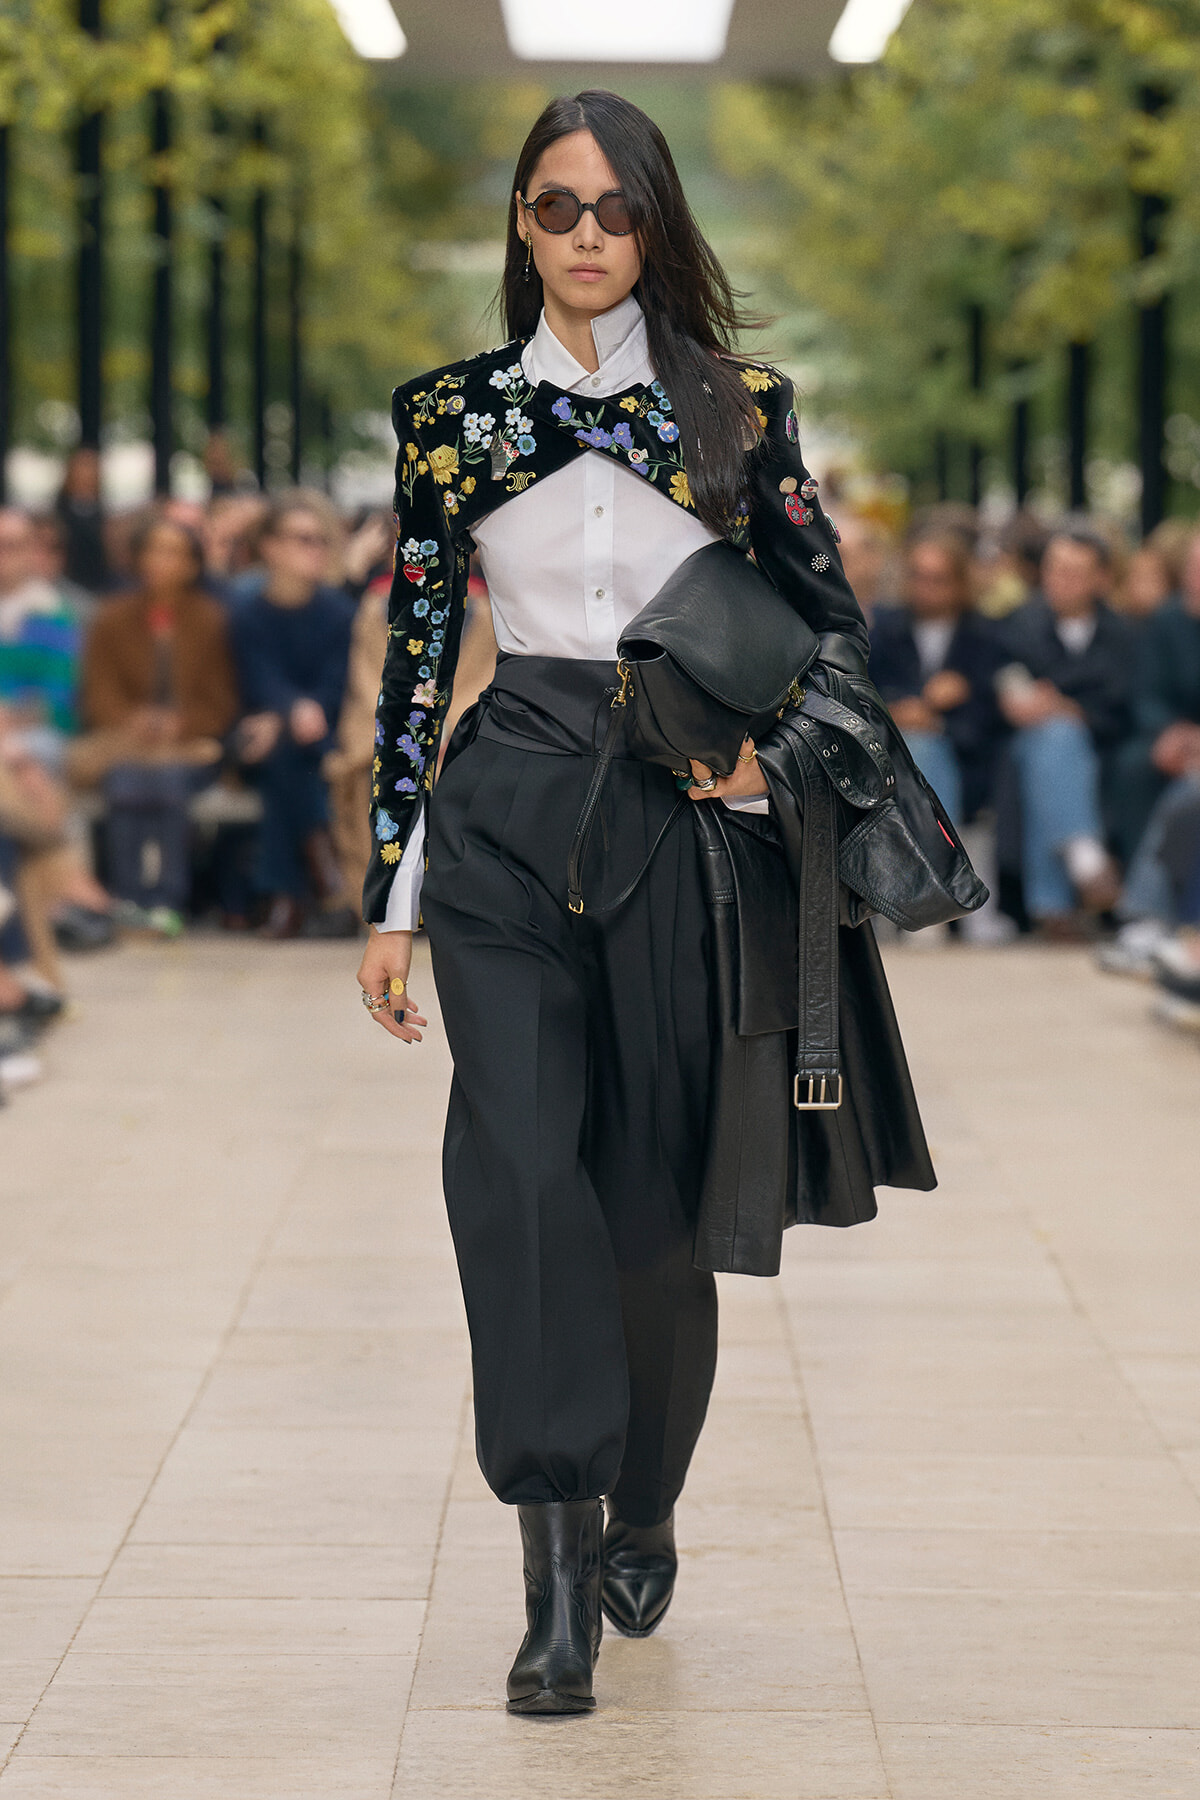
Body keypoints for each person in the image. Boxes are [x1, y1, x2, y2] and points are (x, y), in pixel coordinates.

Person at [354, 90, 934, 1716]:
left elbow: (832, 630)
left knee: (653, 1212)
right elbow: (416, 666)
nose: (588, 235)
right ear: (521, 226)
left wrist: (766, 763)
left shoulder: (739, 411)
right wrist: (386, 890)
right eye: (556, 207)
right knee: (519, 1175)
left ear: (655, 222)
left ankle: (648, 1495)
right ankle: (550, 1579)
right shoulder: (452, 416)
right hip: (507, 799)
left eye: (615, 208)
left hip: (682, 816)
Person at [72, 514, 239, 919]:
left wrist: (181, 723)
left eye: (173, 552)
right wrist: (134, 721)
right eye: (153, 550)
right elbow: (97, 690)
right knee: (127, 781)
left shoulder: (212, 619)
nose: (161, 561)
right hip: (125, 745)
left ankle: (168, 899)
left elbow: (221, 698)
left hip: (189, 748)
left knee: (165, 782)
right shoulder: (111, 617)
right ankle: (129, 899)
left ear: (192, 565)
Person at [996, 525, 1133, 934]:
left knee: (1056, 745)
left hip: (1099, 747)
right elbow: (1004, 682)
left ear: (1101, 579)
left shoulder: (1124, 636)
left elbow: (1127, 708)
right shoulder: (1018, 624)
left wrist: (1074, 711)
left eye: (1075, 571)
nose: (1060, 579)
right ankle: (1084, 857)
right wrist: (1019, 703)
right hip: (1023, 741)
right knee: (1051, 739)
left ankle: (1052, 906)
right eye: (1054, 568)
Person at [230, 493, 356, 938]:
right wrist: (289, 710)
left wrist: (308, 710)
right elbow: (256, 679)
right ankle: (326, 882)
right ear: (270, 547)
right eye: (303, 539)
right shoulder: (248, 614)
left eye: (321, 540)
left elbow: (337, 682)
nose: (315, 549)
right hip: (257, 738)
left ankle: (285, 896)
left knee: (292, 758)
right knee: (284, 751)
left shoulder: (339, 612)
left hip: (321, 735)